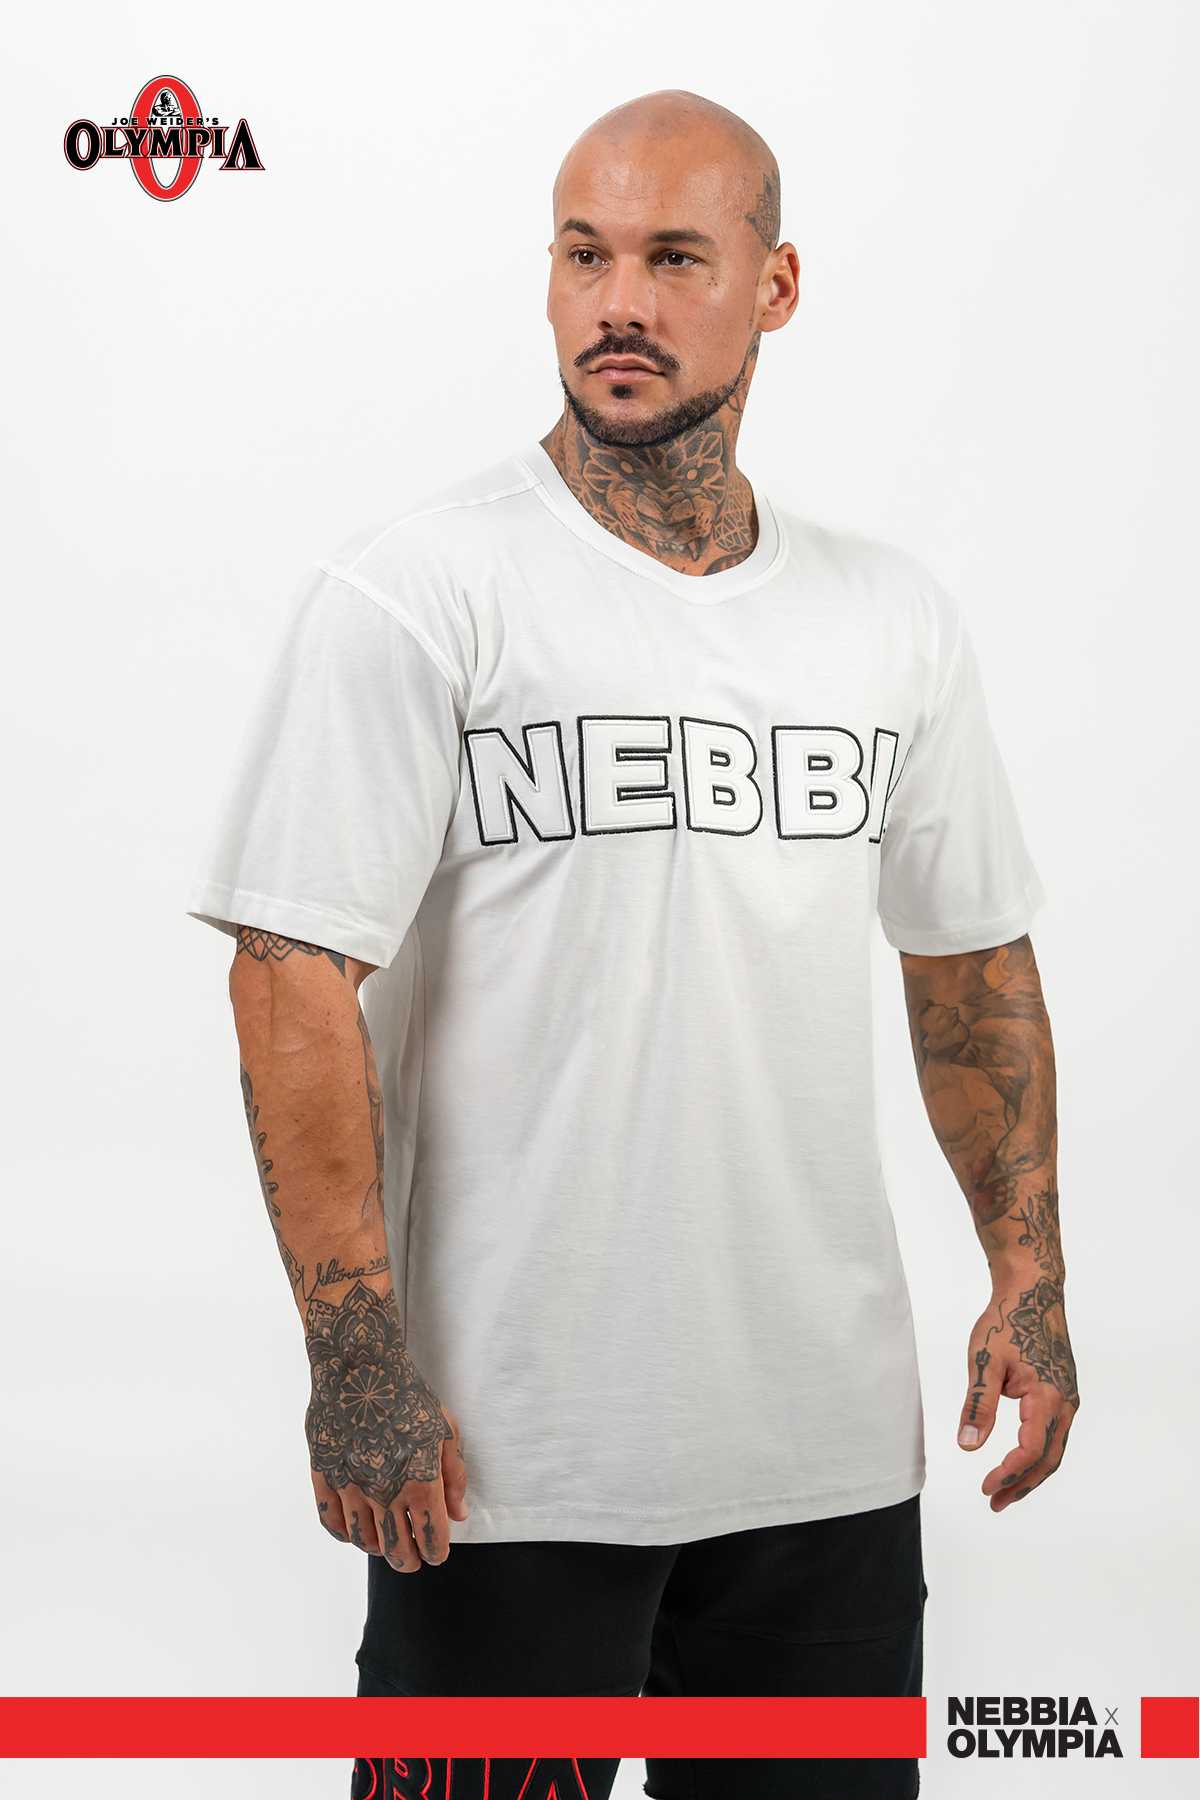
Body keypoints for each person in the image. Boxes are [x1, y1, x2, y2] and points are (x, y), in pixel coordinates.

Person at [184, 87, 1079, 1800]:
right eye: (584, 255)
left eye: (675, 258)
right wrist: (355, 1360)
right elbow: (290, 972)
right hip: (502, 1467)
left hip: (823, 1461)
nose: (619, 303)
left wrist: (1030, 1280)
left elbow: (970, 961)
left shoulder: (889, 620)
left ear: (775, 284)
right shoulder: (419, 593)